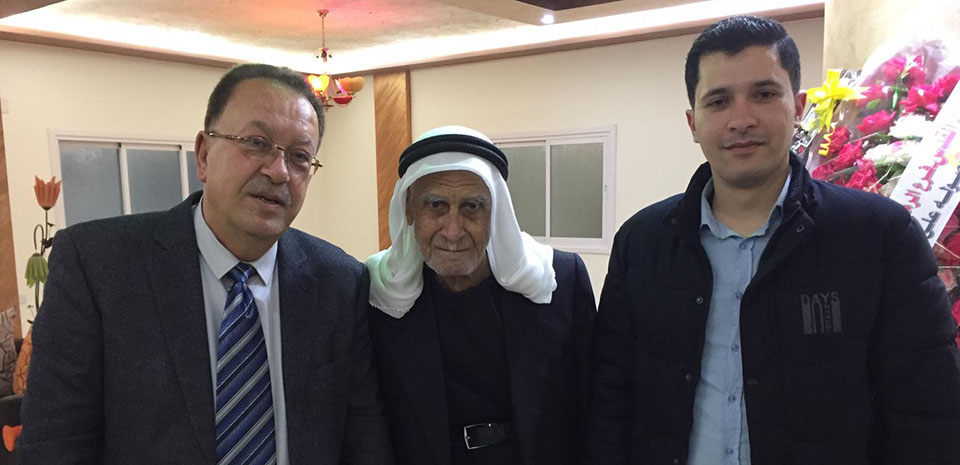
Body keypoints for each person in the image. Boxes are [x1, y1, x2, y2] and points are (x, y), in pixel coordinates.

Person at [586, 15, 960, 465]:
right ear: (693, 122)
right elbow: (611, 401)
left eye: (763, 94)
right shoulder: (642, 243)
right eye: (718, 101)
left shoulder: (880, 237)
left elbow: (928, 412)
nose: (741, 120)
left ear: (798, 107)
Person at [18, 64, 393, 465]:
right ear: (203, 155)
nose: (278, 171)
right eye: (256, 142)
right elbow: (54, 444)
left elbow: (365, 441)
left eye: (300, 156)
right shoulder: (99, 267)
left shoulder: (339, 281)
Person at [365, 126, 595, 465]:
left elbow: (594, 405)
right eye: (435, 205)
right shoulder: (378, 292)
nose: (453, 230)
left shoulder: (558, 280)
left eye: (472, 206)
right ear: (410, 210)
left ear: (496, 212)